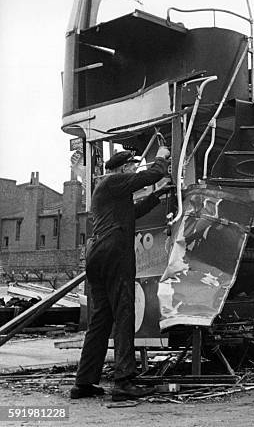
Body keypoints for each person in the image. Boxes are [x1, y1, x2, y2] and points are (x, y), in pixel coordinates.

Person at [70, 146, 171, 401]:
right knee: (124, 313)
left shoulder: (107, 192)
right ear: (124, 169)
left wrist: (156, 197)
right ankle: (124, 381)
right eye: (131, 168)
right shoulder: (114, 181)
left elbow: (132, 214)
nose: (133, 171)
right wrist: (161, 156)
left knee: (101, 320)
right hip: (115, 252)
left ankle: (83, 382)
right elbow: (151, 175)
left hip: (98, 255)